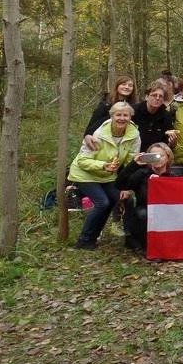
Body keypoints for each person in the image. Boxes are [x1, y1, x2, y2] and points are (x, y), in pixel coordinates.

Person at [68, 101, 140, 250]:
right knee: (103, 203)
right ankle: (84, 240)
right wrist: (102, 165)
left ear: (130, 117)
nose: (122, 118)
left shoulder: (134, 134)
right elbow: (82, 161)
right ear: (112, 116)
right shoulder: (99, 133)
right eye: (118, 115)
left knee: (127, 199)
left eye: (125, 115)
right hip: (85, 174)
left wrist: (126, 187)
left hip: (108, 176)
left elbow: (129, 163)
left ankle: (130, 238)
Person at [115, 142, 175, 253]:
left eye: (161, 156)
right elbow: (120, 185)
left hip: (167, 213)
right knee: (143, 214)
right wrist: (133, 164)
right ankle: (145, 244)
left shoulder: (174, 176)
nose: (157, 159)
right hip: (144, 213)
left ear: (168, 157)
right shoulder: (142, 174)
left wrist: (161, 182)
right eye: (153, 156)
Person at [83, 75, 137, 145]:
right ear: (117, 86)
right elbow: (94, 122)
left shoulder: (134, 107)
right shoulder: (105, 104)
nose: (127, 87)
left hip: (123, 143)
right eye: (123, 84)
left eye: (130, 85)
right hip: (102, 141)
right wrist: (88, 134)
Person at [132, 82, 177, 151]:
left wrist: (172, 143)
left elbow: (167, 144)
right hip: (136, 151)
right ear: (146, 97)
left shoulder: (166, 116)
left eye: (160, 96)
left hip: (157, 154)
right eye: (154, 95)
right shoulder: (134, 112)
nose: (157, 98)